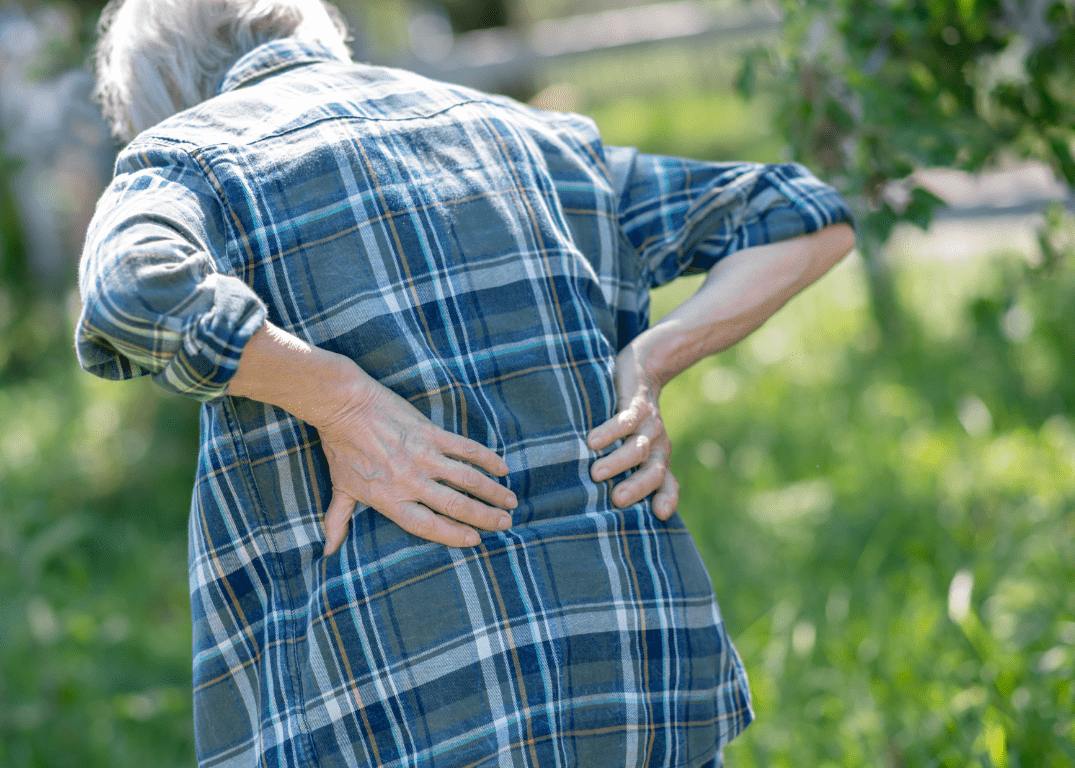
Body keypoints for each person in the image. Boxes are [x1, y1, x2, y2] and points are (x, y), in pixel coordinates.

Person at [75, 1, 855, 765]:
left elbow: (130, 290)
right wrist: (650, 361)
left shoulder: (186, 159)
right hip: (631, 667)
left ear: (159, 98)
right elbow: (802, 214)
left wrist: (338, 398)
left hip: (403, 695)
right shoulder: (535, 136)